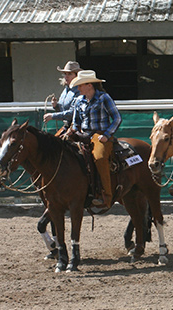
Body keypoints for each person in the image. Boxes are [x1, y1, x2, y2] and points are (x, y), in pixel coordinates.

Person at [68, 69, 122, 208]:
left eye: (80, 85)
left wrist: (107, 135)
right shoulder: (79, 100)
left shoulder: (104, 98)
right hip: (83, 135)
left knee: (99, 158)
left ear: (89, 85)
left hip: (100, 135)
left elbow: (117, 118)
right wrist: (73, 131)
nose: (78, 88)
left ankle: (107, 196)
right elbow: (76, 121)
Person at [43, 61, 82, 129]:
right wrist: (56, 106)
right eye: (65, 74)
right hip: (67, 126)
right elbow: (63, 111)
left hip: (78, 127)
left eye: (69, 74)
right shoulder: (65, 90)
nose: (66, 76)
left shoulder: (79, 91)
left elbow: (72, 113)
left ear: (76, 75)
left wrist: (53, 116)